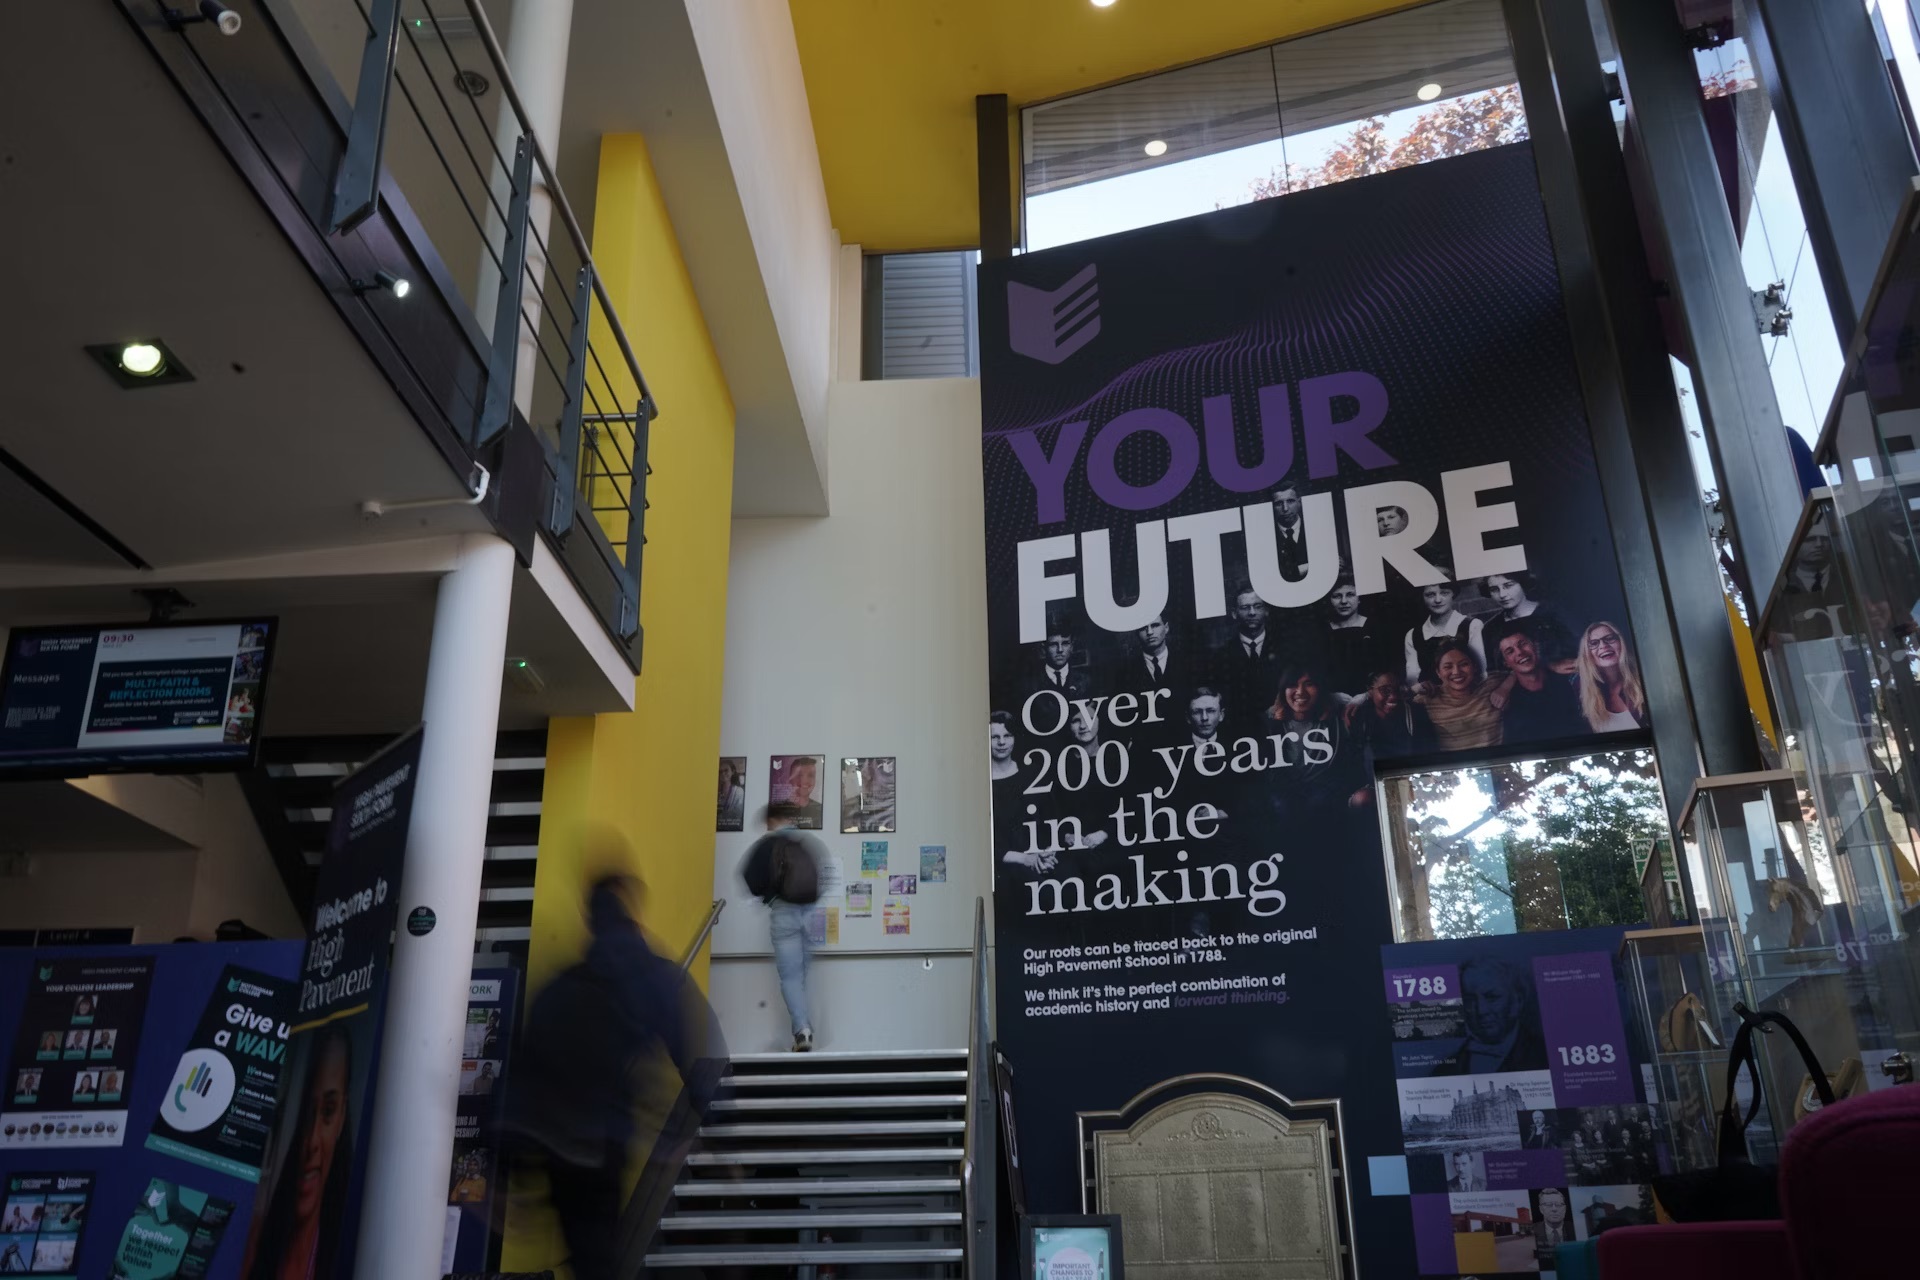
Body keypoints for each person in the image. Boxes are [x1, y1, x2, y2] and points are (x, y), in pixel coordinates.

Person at [504, 872, 721, 1280]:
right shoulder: (651, 974)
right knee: (600, 1251)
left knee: (586, 1259)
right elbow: (687, 1048)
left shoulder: (559, 986)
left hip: (554, 1147)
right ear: (631, 917)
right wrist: (711, 1116)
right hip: (602, 1143)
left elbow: (527, 1076)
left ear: (591, 922)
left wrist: (513, 1171)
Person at [243, 1023, 354, 1280]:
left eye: (328, 1111)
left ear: (342, 1116)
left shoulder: (347, 1253)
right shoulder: (252, 1243)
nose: (312, 1141)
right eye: (305, 1111)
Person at [751, 816, 824, 1052]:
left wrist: (769, 897)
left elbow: (750, 877)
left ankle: (802, 1030)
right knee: (799, 977)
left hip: (785, 915)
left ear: (773, 821)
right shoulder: (804, 843)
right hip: (811, 915)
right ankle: (803, 1029)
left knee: (791, 977)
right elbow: (821, 879)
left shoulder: (768, 844)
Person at [1264, 666, 1370, 821]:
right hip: (1289, 795)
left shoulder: (1336, 705)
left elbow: (1372, 694)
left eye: (1309, 684)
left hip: (1328, 791)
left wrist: (1361, 699)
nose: (1300, 692)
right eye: (1292, 685)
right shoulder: (1271, 718)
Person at [1437, 955, 1548, 1074]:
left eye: (1492, 997)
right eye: (1470, 1000)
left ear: (1518, 1001)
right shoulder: (1444, 1070)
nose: (1481, 1010)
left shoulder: (1545, 1054)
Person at [1490, 625, 1584, 743]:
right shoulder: (1509, 703)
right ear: (1506, 663)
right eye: (1510, 651)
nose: (1519, 652)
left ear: (1535, 645)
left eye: (1522, 644)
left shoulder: (1567, 678)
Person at [1417, 641, 1511, 752]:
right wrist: (1413, 689)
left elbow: (1518, 671)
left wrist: (1505, 687)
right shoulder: (1428, 698)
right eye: (1448, 667)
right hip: (1454, 763)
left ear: (1474, 667)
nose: (1456, 672)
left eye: (1463, 664)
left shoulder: (1491, 684)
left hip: (1497, 760)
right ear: (1438, 672)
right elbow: (1400, 705)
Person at [1220, 586, 1283, 730]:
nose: (1252, 612)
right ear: (1234, 613)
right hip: (1241, 729)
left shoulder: (1284, 647)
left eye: (1257, 606)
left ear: (1266, 611)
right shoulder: (1222, 656)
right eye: (1245, 608)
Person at [1482, 571, 1574, 669]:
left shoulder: (1553, 615)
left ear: (1523, 583)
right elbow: (1493, 669)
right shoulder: (1491, 629)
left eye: (1508, 585)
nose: (1502, 594)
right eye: (1494, 589)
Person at [1403, 579, 1487, 685]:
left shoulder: (1472, 626)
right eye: (1430, 595)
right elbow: (1412, 680)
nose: (1438, 600)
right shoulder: (1413, 635)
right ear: (1422, 597)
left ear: (1453, 594)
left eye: (1444, 593)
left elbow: (1482, 673)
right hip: (1432, 694)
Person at [1347, 669, 1435, 760]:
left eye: (1397, 690)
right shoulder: (1360, 717)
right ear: (1370, 691)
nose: (1393, 696)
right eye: (1385, 690)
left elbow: (1428, 754)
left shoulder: (1416, 714)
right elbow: (1354, 757)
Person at [1576, 621, 1648, 732]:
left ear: (1621, 643)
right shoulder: (1585, 693)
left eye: (1610, 638)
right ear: (1586, 653)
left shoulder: (1645, 680)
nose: (1603, 646)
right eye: (1594, 643)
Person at [1025, 624, 1089, 700]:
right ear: (1044, 649)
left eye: (1065, 643)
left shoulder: (1085, 681)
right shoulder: (1031, 684)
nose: (1060, 650)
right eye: (1053, 644)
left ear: (1072, 647)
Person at [770, 757, 825, 830]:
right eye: (799, 775)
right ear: (790, 779)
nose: (804, 781)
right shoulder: (777, 811)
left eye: (810, 775)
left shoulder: (821, 810)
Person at [1532, 1187, 1574, 1263]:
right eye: (1548, 1205)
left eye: (1558, 1205)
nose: (1554, 1209)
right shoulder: (1533, 1230)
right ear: (1541, 1209)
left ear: (1564, 1208)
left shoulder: (1575, 1228)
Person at [716, 760, 745, 828]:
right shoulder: (716, 791)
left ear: (733, 771)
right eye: (720, 771)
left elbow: (738, 814)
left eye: (726, 770)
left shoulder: (739, 791)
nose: (723, 773)